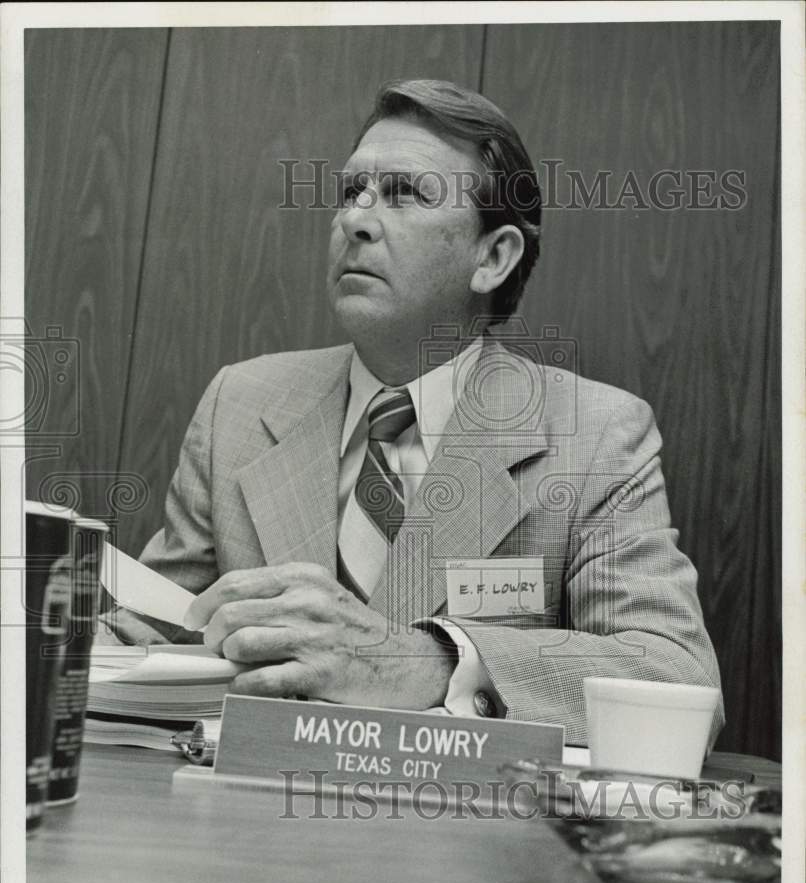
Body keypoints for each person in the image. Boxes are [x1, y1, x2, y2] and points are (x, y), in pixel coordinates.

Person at [106, 79, 724, 745]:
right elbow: (145, 633)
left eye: (405, 195)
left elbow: (678, 682)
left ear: (493, 257)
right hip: (246, 818)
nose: (356, 220)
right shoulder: (241, 404)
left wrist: (421, 660)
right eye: (351, 192)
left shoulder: (597, 436)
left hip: (461, 837)